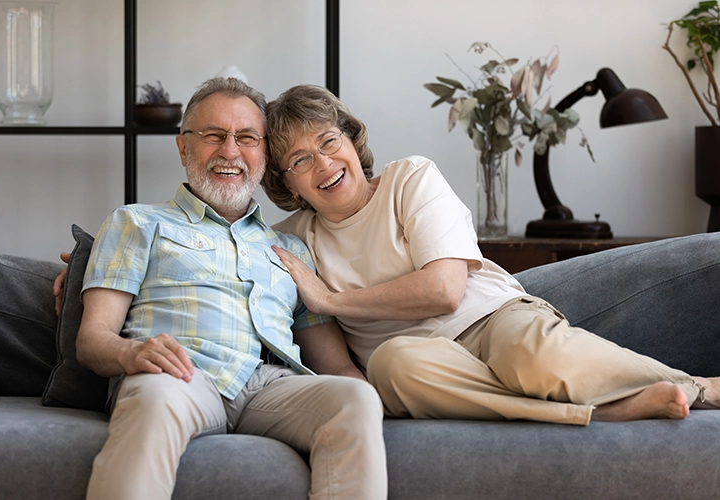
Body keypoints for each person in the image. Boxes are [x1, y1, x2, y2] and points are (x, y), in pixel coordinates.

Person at [260, 83, 720, 426]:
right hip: (423, 362)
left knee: (533, 359)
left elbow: (444, 290)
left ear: (349, 140)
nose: (322, 164)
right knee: (391, 366)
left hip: (491, 319)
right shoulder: (291, 241)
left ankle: (697, 387)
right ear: (286, 183)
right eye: (299, 160)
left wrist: (331, 300)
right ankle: (604, 412)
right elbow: (337, 363)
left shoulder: (409, 179)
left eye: (328, 142)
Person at [63, 77, 387, 500]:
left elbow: (335, 364)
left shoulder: (290, 248)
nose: (230, 151)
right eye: (213, 135)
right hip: (175, 375)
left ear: (265, 152)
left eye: (247, 137)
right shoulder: (137, 223)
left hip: (266, 386)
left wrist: (372, 393)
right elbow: (92, 341)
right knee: (154, 401)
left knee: (354, 399)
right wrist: (132, 352)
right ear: (183, 148)